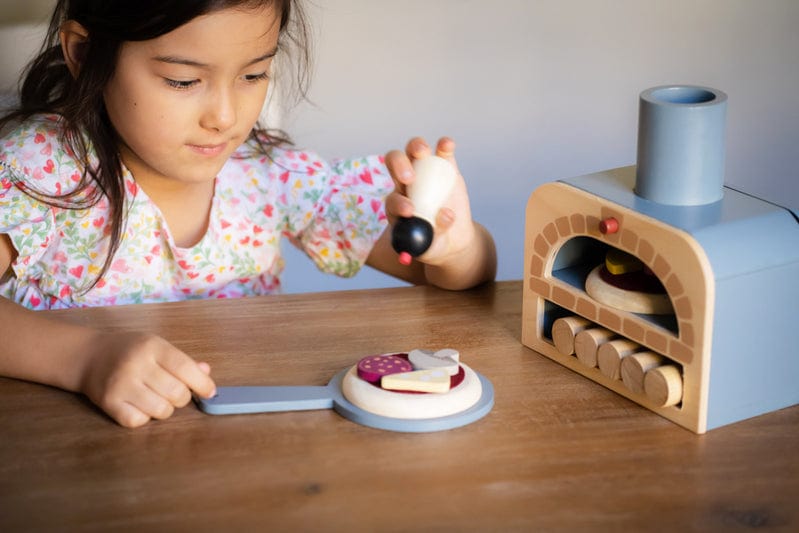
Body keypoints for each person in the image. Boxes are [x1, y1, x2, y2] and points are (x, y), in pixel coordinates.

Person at [0, 0, 497, 428]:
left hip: (242, 445)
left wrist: (456, 246)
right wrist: (85, 360)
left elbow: (450, 277)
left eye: (253, 74)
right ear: (85, 55)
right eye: (183, 80)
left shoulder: (271, 173)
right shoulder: (37, 170)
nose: (225, 116)